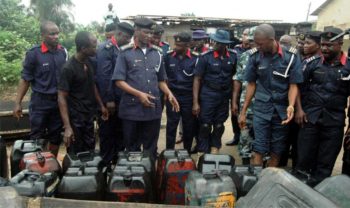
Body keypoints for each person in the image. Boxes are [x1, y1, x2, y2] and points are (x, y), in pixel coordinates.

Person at [112, 18, 179, 159]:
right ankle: (134, 178)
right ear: (136, 31)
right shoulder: (125, 53)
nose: (149, 36)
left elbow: (161, 80)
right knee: (132, 148)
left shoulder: (157, 53)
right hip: (131, 110)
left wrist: (169, 93)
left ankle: (150, 177)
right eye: (146, 32)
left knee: (151, 148)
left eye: (151, 33)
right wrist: (139, 94)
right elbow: (119, 81)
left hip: (152, 110)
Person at [238, 24, 303, 167]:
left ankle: (269, 180)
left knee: (277, 149)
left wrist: (291, 105)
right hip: (261, 109)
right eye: (256, 43)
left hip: (282, 112)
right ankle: (257, 181)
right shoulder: (255, 56)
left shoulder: (291, 57)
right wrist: (243, 112)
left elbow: (293, 85)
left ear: (272, 40)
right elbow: (251, 85)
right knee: (259, 147)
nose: (257, 46)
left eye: (260, 43)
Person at [295, 27, 350, 185]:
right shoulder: (312, 63)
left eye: (330, 45)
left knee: (325, 165)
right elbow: (297, 87)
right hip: (310, 119)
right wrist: (299, 109)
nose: (325, 48)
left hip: (334, 123)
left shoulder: (348, 66)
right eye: (323, 45)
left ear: (340, 44)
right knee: (303, 161)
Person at [13, 21, 68, 156]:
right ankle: (37, 169)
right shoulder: (34, 54)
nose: (56, 36)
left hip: (58, 103)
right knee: (36, 138)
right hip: (40, 103)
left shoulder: (63, 52)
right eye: (52, 34)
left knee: (55, 137)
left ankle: (52, 165)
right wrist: (17, 103)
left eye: (57, 33)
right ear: (43, 35)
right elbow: (26, 79)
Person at [58, 31, 108, 154]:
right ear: (84, 48)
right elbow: (61, 97)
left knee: (90, 149)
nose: (96, 49)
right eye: (94, 46)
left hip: (88, 114)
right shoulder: (68, 68)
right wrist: (68, 127)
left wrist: (101, 106)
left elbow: (92, 85)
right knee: (76, 152)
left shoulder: (88, 62)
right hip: (75, 118)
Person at [193, 29, 237, 154]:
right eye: (214, 41)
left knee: (219, 125)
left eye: (219, 42)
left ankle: (215, 148)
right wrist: (195, 102)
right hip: (208, 94)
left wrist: (233, 101)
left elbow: (235, 79)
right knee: (205, 125)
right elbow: (197, 79)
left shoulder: (233, 57)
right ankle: (202, 150)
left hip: (224, 96)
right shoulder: (205, 57)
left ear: (225, 44)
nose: (215, 44)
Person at [96, 22, 134, 164]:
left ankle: (117, 164)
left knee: (120, 133)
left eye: (130, 38)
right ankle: (106, 165)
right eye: (127, 37)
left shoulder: (123, 49)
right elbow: (104, 76)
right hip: (110, 101)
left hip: (122, 100)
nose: (129, 40)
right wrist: (109, 99)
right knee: (107, 134)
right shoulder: (106, 49)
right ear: (118, 34)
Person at [164, 32, 198, 152]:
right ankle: (169, 152)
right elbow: (165, 78)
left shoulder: (195, 58)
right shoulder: (168, 57)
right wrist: (167, 95)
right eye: (175, 44)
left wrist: (195, 102)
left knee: (188, 126)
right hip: (173, 96)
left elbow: (197, 81)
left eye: (179, 45)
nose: (176, 47)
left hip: (188, 97)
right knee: (171, 125)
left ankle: (186, 152)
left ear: (188, 45)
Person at [232, 26, 256, 160]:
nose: (253, 44)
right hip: (246, 104)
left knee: (262, 139)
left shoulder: (273, 58)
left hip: (265, 106)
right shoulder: (245, 56)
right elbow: (238, 79)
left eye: (255, 41)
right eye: (250, 41)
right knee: (245, 135)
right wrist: (234, 101)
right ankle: (245, 167)